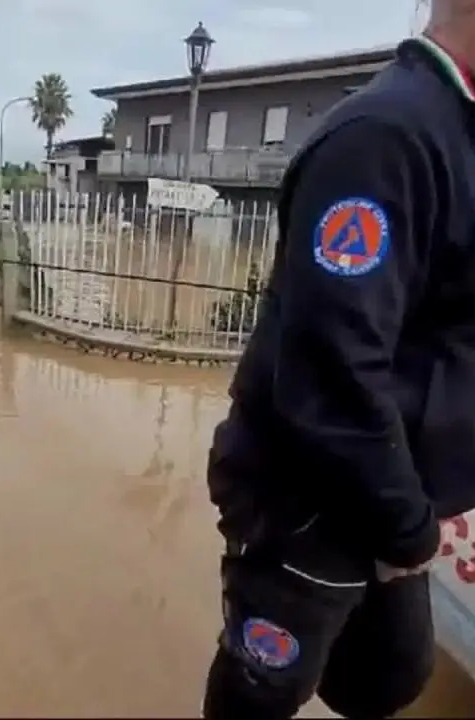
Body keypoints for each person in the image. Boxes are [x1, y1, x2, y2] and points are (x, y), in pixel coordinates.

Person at [202, 1, 475, 717]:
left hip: (400, 499)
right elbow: (334, 377)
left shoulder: (460, 134)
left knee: (392, 676)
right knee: (263, 688)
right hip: (315, 503)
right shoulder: (387, 140)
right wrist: (412, 531)